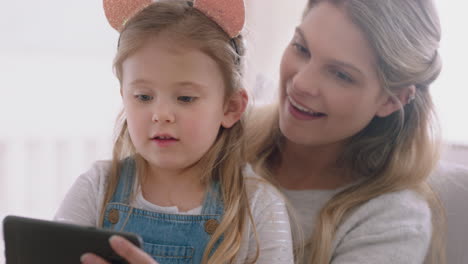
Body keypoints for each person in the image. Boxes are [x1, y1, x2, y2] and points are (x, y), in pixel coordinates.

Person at [54, 0, 294, 263]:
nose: (161, 114)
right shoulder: (96, 188)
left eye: (185, 98)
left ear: (230, 107)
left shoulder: (258, 206)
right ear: (124, 96)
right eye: (144, 97)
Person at [246, 0, 445, 263]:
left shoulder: (393, 222)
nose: (301, 83)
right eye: (301, 48)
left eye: (340, 75)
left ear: (391, 99)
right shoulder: (217, 133)